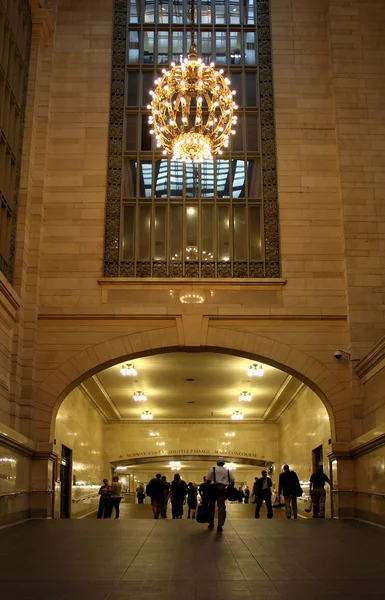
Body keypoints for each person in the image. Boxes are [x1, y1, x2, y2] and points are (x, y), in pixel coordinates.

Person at [206, 456, 235, 533]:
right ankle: (220, 525)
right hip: (222, 488)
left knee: (211, 505)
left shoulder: (213, 469)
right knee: (221, 507)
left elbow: (208, 480)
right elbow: (232, 480)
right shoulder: (227, 471)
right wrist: (230, 487)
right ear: (223, 463)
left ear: (217, 463)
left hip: (213, 488)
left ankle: (211, 523)